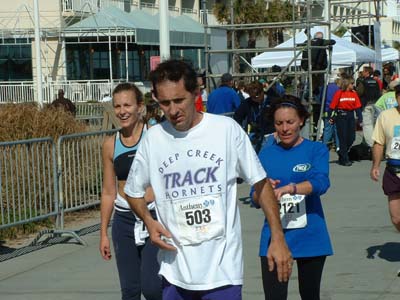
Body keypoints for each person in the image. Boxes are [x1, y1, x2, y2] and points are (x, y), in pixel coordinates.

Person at [123, 59, 292, 300]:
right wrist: (149, 223)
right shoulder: (154, 139)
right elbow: (132, 191)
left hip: (223, 272)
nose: (172, 110)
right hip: (175, 271)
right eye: (165, 103)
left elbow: (261, 184)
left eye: (179, 100)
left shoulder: (226, 130)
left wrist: (277, 237)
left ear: (196, 93)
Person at [252, 95, 333, 300]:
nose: (285, 128)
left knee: (310, 294)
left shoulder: (316, 149)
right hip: (274, 235)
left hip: (310, 234)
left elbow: (321, 183)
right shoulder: (265, 154)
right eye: (279, 123)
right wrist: (264, 192)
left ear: (301, 121)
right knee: (274, 296)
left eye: (290, 122)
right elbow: (254, 197)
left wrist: (291, 188)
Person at [99, 83, 162, 300]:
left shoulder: (155, 136)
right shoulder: (110, 144)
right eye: (117, 106)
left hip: (153, 217)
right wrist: (103, 234)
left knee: (153, 288)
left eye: (127, 105)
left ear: (140, 107)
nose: (122, 111)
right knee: (130, 291)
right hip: (124, 220)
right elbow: (108, 191)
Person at [370, 87, 400, 232]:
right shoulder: (386, 116)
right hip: (393, 170)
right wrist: (375, 166)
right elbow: (379, 142)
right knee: (396, 218)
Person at [330, 75, 363, 166]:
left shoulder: (354, 93)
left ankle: (341, 152)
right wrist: (331, 118)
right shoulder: (339, 93)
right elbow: (333, 106)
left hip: (350, 116)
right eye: (352, 83)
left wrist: (360, 119)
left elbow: (358, 107)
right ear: (347, 84)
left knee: (351, 138)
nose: (353, 85)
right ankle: (344, 159)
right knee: (343, 138)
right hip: (341, 116)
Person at [234, 80, 274, 153]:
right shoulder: (247, 103)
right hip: (255, 135)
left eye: (257, 96)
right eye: (252, 97)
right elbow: (237, 117)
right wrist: (241, 131)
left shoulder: (272, 102)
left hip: (270, 135)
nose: (255, 99)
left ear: (262, 92)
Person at [300, 31, 336, 98]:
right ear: (321, 38)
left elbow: (299, 46)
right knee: (319, 86)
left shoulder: (307, 42)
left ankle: (308, 96)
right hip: (319, 68)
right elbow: (333, 41)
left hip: (308, 67)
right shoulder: (321, 42)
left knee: (311, 84)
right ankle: (316, 99)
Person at [356, 66, 381, 148]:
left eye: (363, 71)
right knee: (373, 124)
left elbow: (359, 92)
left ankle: (370, 144)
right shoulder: (375, 81)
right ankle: (366, 142)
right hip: (375, 104)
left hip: (366, 104)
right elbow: (379, 92)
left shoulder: (363, 82)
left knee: (367, 124)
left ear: (367, 72)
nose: (362, 72)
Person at [322, 73, 341, 151]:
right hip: (335, 112)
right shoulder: (337, 89)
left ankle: (324, 146)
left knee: (327, 129)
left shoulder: (324, 88)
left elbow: (321, 99)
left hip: (326, 111)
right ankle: (338, 146)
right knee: (337, 129)